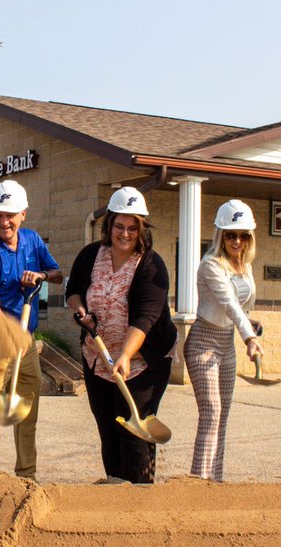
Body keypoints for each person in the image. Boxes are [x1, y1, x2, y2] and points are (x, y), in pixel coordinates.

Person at [66, 187, 174, 483]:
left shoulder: (152, 266)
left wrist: (125, 355)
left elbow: (146, 318)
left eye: (132, 227)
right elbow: (73, 291)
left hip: (142, 363)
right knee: (109, 430)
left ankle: (139, 495)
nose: (125, 233)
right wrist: (81, 313)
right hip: (97, 358)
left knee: (134, 435)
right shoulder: (90, 255)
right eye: (119, 226)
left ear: (141, 229)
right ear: (109, 225)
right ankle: (114, 492)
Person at [0, 179, 63, 479]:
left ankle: (27, 477)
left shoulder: (33, 241)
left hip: (26, 341)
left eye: (10, 214)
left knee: (27, 412)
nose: (4, 221)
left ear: (23, 213)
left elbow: (58, 274)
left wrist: (41, 275)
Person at [184, 199, 263, 481]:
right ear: (220, 235)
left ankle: (215, 481)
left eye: (244, 235)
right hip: (203, 343)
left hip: (226, 342)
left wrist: (250, 323)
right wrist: (249, 336)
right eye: (231, 235)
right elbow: (228, 304)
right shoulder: (210, 265)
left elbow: (240, 308)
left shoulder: (244, 265)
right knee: (211, 413)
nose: (237, 241)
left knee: (224, 416)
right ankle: (198, 482)